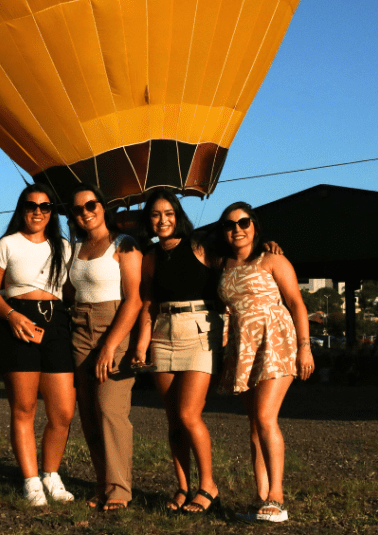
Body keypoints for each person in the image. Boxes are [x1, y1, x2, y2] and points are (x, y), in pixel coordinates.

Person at [215, 202, 314, 523]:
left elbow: (297, 303)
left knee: (265, 416)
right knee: (254, 425)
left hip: (276, 340)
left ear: (255, 226)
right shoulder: (223, 264)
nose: (237, 229)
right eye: (230, 225)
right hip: (242, 348)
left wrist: (305, 347)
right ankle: (260, 497)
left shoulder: (273, 259)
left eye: (244, 222)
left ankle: (278, 497)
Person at [130, 191, 226, 514]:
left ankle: (208, 485)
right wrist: (141, 344)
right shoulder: (151, 257)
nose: (163, 220)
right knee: (173, 420)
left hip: (200, 329)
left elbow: (236, 262)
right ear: (149, 221)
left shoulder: (200, 247)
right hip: (162, 332)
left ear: (178, 215)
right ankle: (183, 487)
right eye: (156, 215)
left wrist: (267, 247)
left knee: (188, 414)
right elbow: (147, 304)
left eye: (168, 213)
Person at [0, 183, 75, 507]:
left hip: (56, 322)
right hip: (18, 322)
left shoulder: (64, 246)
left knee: (62, 411)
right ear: (22, 209)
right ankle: (31, 481)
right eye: (31, 205)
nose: (38, 211)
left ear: (52, 212)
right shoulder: (7, 244)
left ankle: (51, 474)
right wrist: (11, 316)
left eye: (45, 206)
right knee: (24, 408)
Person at [65, 184, 143, 512]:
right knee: (89, 413)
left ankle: (120, 489)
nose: (86, 212)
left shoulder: (124, 244)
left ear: (102, 205)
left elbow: (134, 299)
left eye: (91, 205)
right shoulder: (75, 248)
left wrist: (111, 345)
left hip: (114, 324)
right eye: (78, 209)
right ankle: (102, 483)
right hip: (80, 326)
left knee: (111, 409)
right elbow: (70, 292)